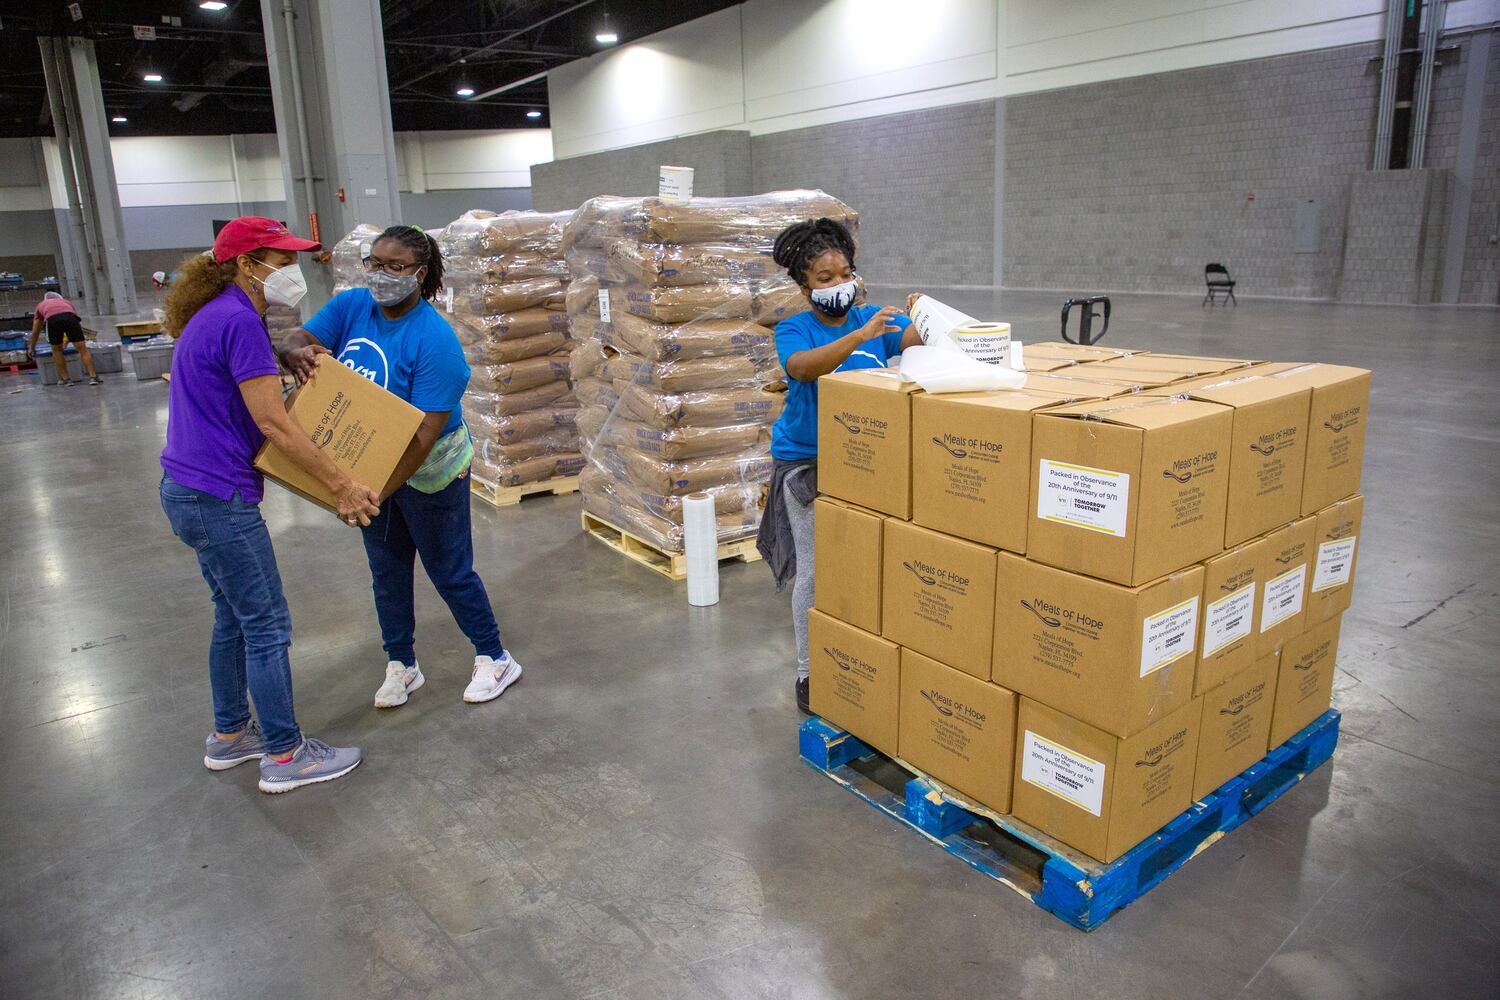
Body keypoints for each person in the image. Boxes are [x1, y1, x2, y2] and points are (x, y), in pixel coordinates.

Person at [159, 216, 378, 794]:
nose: (291, 271)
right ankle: (285, 755)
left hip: (185, 489)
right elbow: (274, 426)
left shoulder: (220, 315)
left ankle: (231, 736)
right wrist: (343, 485)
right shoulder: (238, 321)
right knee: (267, 623)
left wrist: (283, 358)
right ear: (244, 265)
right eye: (279, 260)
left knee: (232, 615)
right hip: (217, 497)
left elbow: (243, 393)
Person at [277, 225, 521, 710]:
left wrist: (368, 495)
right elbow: (296, 335)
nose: (382, 275)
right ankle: (402, 664)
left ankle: (495, 657)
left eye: (395, 267)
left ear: (420, 274)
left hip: (429, 469)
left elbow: (421, 439)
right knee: (386, 570)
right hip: (369, 467)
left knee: (448, 570)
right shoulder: (351, 308)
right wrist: (293, 350)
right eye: (374, 263)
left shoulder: (436, 343)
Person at [756, 218, 923, 714]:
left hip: (863, 461)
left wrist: (924, 318)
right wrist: (861, 336)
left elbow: (914, 343)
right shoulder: (796, 328)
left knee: (866, 558)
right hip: (806, 462)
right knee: (814, 566)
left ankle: (863, 649)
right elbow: (803, 367)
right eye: (825, 277)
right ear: (805, 284)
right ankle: (809, 673)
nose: (838, 284)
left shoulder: (873, 317)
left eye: (845, 273)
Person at [28, 291, 101, 386]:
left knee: (56, 350)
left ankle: (66, 379)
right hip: (71, 318)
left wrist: (32, 347)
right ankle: (93, 377)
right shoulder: (66, 302)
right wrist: (69, 340)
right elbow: (72, 321)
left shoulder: (41, 305)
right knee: (83, 349)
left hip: (52, 320)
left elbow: (35, 331)